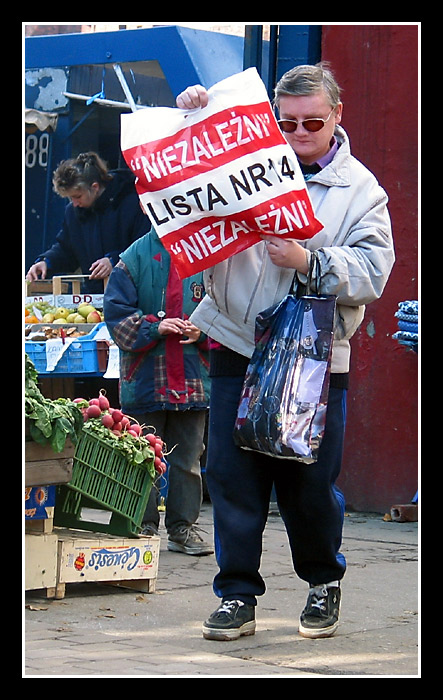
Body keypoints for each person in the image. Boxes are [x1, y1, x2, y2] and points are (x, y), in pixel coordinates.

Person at [175, 62, 395, 639]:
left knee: (310, 482)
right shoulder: (241, 160)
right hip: (237, 339)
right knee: (231, 475)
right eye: (286, 122)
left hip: (314, 354)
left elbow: (374, 270)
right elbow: (179, 178)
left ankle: (324, 582)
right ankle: (236, 595)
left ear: (337, 116)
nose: (298, 134)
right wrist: (195, 116)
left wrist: (310, 261)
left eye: (312, 122)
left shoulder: (361, 189)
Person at [103, 228, 213, 556]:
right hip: (147, 377)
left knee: (188, 458)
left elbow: (228, 309)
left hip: (193, 379)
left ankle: (183, 528)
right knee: (141, 456)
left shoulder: (207, 252)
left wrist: (203, 329)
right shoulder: (133, 259)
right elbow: (117, 315)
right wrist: (155, 326)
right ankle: (140, 522)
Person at [26, 152, 150, 293]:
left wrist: (115, 260)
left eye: (77, 196)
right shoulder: (72, 212)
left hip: (133, 292)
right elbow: (66, 250)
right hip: (94, 296)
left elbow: (145, 246)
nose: (74, 203)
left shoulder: (132, 202)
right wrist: (46, 262)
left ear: (95, 187)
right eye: (70, 198)